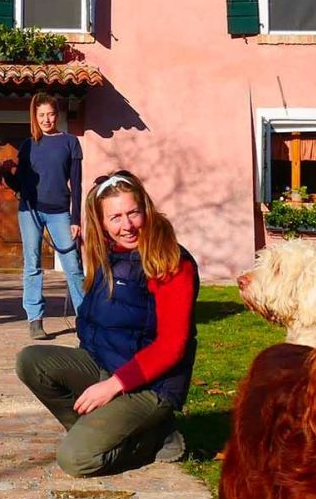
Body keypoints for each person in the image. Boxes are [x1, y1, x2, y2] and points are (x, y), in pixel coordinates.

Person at [14, 170, 199, 476]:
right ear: (101, 222)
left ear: (146, 210)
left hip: (152, 387)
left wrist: (113, 386)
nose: (126, 225)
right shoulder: (107, 254)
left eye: (133, 213)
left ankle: (151, 437)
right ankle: (104, 431)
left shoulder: (169, 261)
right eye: (115, 217)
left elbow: (172, 346)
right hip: (108, 366)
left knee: (76, 460)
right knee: (32, 361)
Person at [0, 93, 84, 339]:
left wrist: (76, 219)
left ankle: (85, 317)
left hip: (60, 213)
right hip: (30, 211)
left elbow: (76, 184)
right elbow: (20, 184)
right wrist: (5, 173)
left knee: (73, 267)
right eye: (41, 115)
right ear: (35, 117)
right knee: (32, 265)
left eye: (50, 114)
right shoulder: (28, 145)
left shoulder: (70, 142)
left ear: (57, 115)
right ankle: (35, 320)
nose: (46, 120)